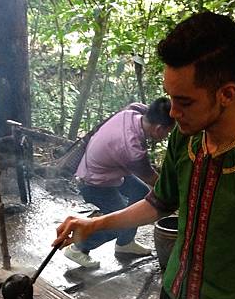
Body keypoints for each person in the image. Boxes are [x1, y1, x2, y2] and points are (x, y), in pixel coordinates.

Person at [54, 11, 235, 299]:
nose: (172, 112)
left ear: (227, 94)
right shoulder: (185, 138)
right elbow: (158, 203)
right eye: (171, 97)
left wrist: (229, 263)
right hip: (171, 297)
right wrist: (95, 224)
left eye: (185, 101)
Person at [63, 98, 174, 269]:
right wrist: (176, 198)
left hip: (107, 169)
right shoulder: (132, 149)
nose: (166, 136)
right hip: (94, 183)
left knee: (139, 192)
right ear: (159, 128)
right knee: (119, 222)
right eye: (167, 132)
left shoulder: (132, 113)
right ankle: (78, 248)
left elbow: (141, 106)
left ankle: (125, 243)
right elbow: (153, 180)